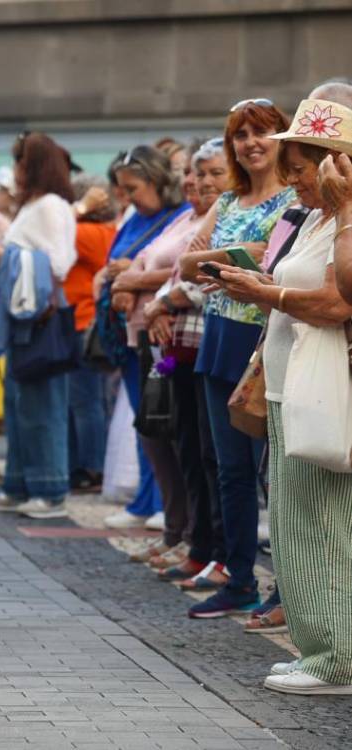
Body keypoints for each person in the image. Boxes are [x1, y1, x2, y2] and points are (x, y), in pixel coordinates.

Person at [211, 98, 352, 694]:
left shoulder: (343, 218)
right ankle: (319, 646)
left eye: (299, 169)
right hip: (293, 387)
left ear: (333, 164)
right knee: (296, 525)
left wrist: (266, 295)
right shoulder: (320, 218)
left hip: (322, 389)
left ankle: (337, 657)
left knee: (323, 525)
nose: (291, 180)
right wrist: (264, 284)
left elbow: (338, 301)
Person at [177, 99, 294, 618]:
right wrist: (234, 256)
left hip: (262, 338)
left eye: (260, 132)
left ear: (281, 138)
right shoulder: (227, 200)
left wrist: (218, 260)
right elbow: (185, 263)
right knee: (230, 471)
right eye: (240, 136)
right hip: (218, 337)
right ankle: (240, 576)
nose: (250, 144)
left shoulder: (295, 197)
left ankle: (289, 588)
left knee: (273, 474)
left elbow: (273, 256)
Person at [140, 139, 232, 584]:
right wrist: (158, 304)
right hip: (183, 343)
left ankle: (221, 552)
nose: (203, 182)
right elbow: (180, 269)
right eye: (199, 173)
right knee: (191, 448)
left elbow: (206, 277)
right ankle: (199, 545)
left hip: (210, 341)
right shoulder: (193, 217)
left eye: (216, 173)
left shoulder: (231, 213)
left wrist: (161, 303)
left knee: (217, 457)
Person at [107, 146, 202, 561]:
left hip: (176, 334)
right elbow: (142, 259)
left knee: (175, 431)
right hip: (143, 334)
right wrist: (125, 281)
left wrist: (138, 284)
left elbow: (188, 270)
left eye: (133, 188)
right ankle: (172, 524)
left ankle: (185, 529)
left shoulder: (192, 215)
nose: (195, 182)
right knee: (151, 426)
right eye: (192, 174)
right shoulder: (182, 218)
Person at [0, 132, 78, 520]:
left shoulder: (51, 205)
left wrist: (4, 258)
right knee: (20, 403)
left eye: (21, 161)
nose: (16, 169)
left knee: (42, 406)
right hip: (25, 315)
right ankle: (19, 483)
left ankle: (50, 489)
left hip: (39, 317)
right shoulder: (35, 205)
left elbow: (59, 262)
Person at [66, 175, 117, 493]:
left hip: (79, 320)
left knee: (84, 402)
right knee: (91, 400)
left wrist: (76, 209)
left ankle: (90, 467)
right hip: (88, 320)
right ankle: (86, 466)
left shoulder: (81, 232)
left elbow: (52, 236)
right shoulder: (109, 231)